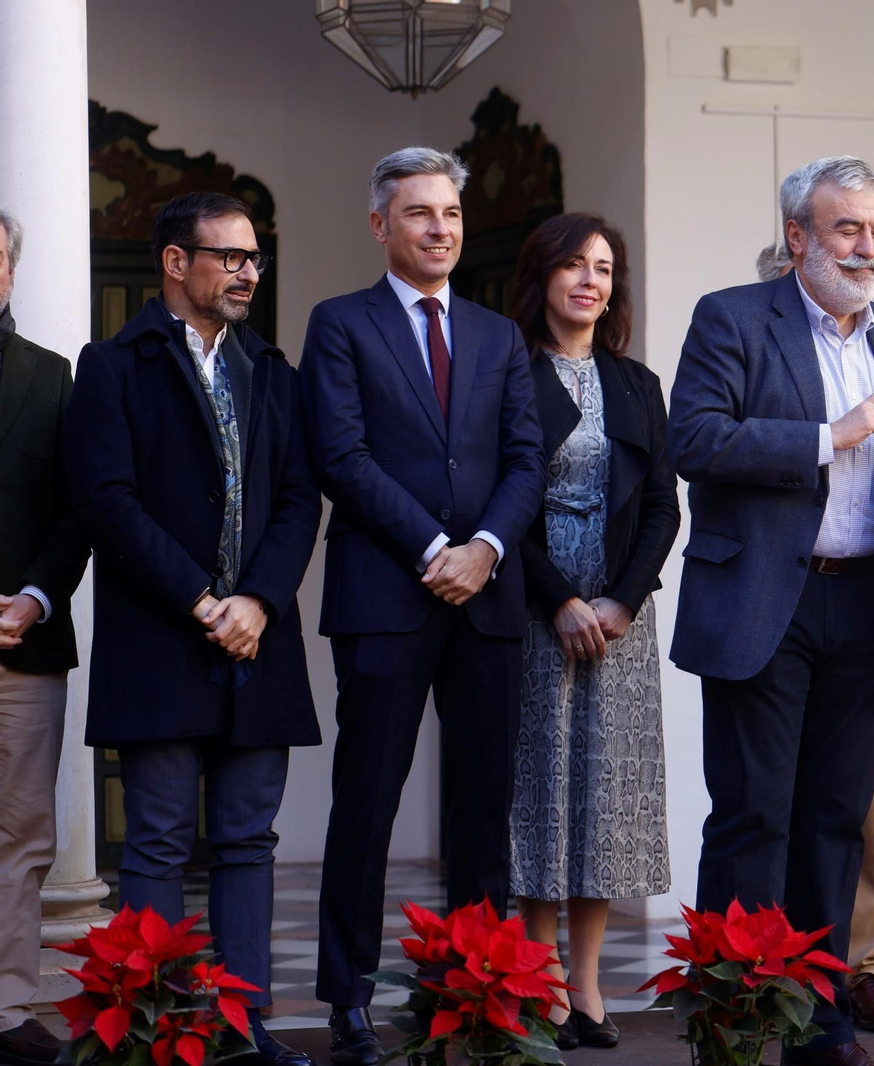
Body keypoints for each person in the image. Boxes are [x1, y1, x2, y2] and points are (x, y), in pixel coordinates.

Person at [669, 155, 874, 1066]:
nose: (867, 249)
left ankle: (821, 1026)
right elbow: (694, 438)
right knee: (752, 819)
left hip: (865, 607)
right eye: (847, 229)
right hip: (762, 607)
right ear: (799, 238)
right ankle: (737, 1022)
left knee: (835, 822)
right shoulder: (733, 318)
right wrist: (834, 434)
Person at [63, 192, 321, 1066]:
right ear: (177, 263)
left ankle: (244, 1032)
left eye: (254, 258)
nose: (249, 272)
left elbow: (297, 501)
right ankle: (151, 1034)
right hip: (160, 639)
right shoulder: (112, 366)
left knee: (250, 840)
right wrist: (201, 601)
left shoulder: (274, 373)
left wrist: (256, 603)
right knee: (161, 839)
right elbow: (105, 500)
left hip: (259, 643)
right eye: (231, 257)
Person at [299, 148, 545, 1065]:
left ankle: (473, 990)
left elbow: (527, 459)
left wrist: (483, 549)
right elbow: (341, 455)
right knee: (366, 801)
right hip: (386, 597)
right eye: (418, 214)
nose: (439, 228)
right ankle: (349, 999)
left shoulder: (496, 335)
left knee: (484, 809)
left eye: (449, 213)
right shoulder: (340, 324)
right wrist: (435, 548)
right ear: (380, 226)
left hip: (487, 601)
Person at [505, 213, 678, 1050]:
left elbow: (660, 506)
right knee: (544, 793)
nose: (590, 280)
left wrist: (623, 601)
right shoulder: (506, 372)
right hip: (537, 606)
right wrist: (560, 601)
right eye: (573, 264)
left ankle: (587, 986)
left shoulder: (637, 383)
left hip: (620, 618)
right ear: (541, 276)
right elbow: (494, 504)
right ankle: (537, 983)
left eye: (604, 268)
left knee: (608, 799)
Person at [0, 208, 90, 1066]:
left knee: (21, 838)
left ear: (10, 270)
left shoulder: (50, 376)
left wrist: (33, 597)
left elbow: (77, 514)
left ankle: (4, 1009)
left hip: (19, 648)